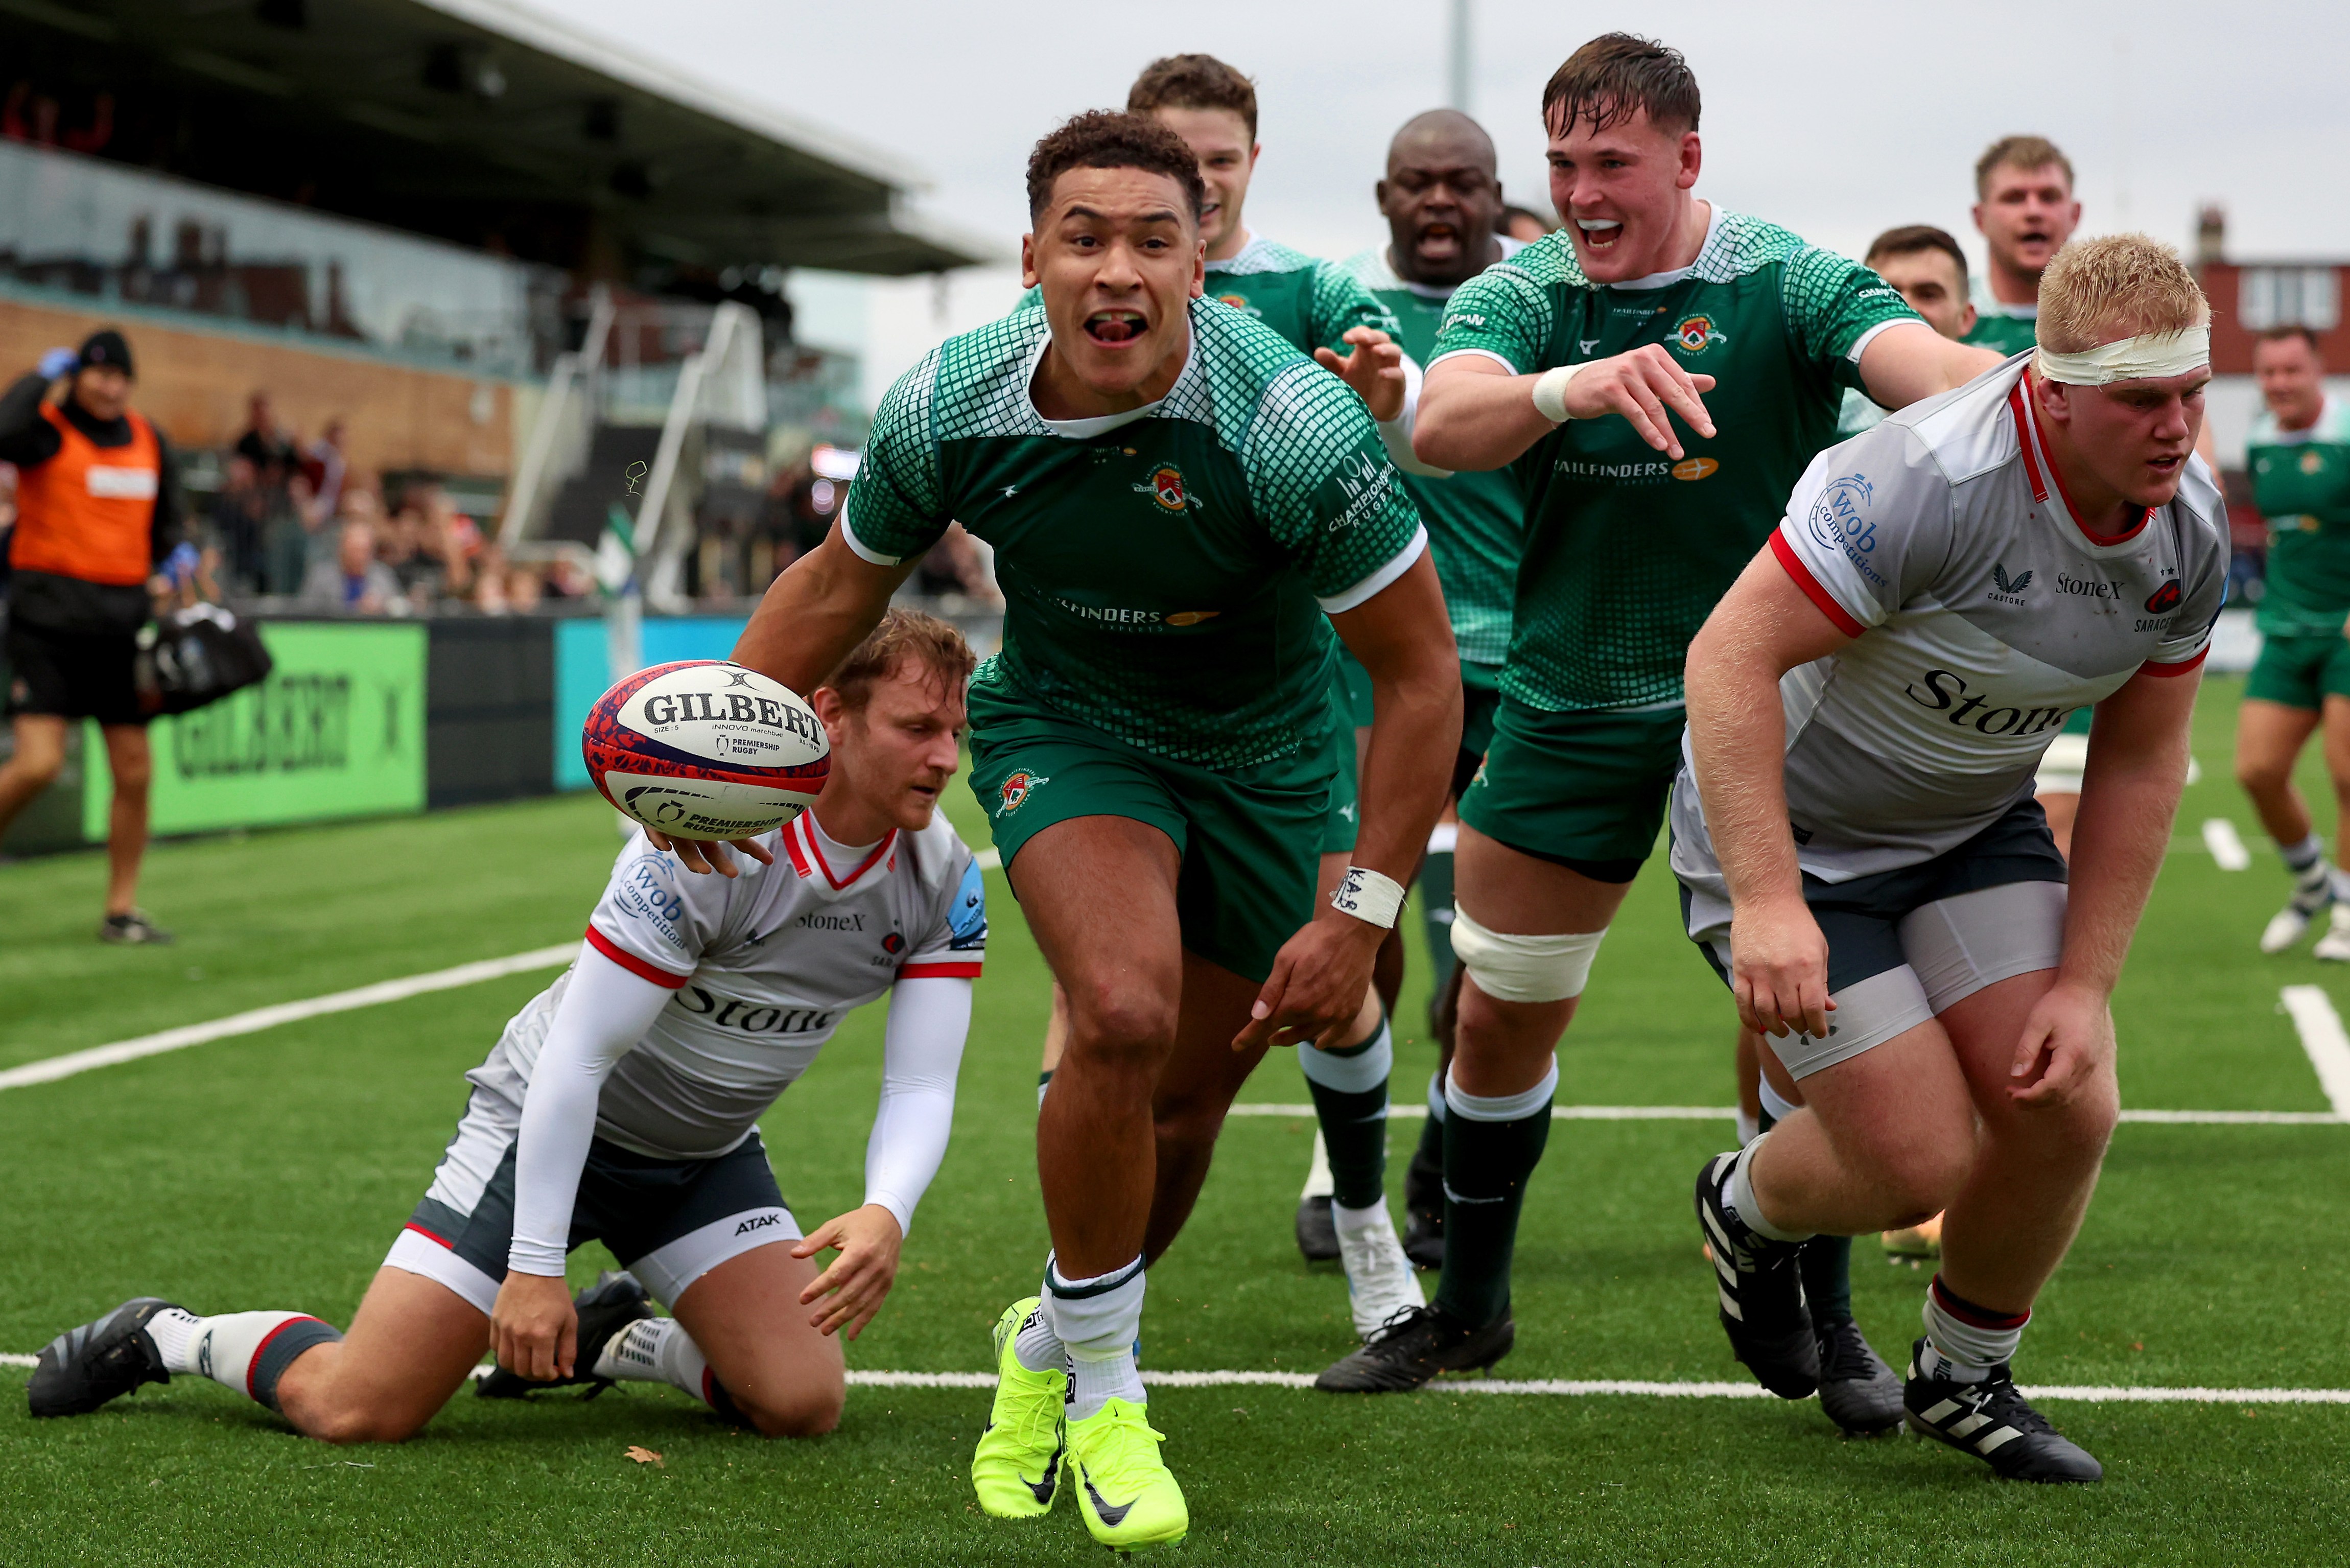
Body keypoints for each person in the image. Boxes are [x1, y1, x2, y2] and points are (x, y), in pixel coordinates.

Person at [669, 113, 1456, 1550]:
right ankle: (1107, 1390)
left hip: (1272, 762)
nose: (1118, 268)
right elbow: (836, 587)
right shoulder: (950, 403)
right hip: (1069, 728)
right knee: (1119, 1010)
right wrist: (714, 749)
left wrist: (1362, 914)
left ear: (1201, 264)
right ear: (1032, 257)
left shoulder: (1291, 424)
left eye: (1155, 240)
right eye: (1084, 237)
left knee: (1185, 1111)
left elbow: (1419, 677)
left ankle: (1047, 1336)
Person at [1313, 35, 1999, 1415]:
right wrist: (1573, 384)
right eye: (1562, 163)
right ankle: (1470, 1308)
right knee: (1497, 1021)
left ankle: (1833, 1320)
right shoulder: (1527, 291)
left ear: (1687, 158)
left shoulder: (1785, 277)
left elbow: (1930, 367)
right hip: (1568, 706)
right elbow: (1444, 422)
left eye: (1611, 163)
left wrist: (2013, 400)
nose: (1580, 193)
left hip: (1769, 715)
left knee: (1807, 1019)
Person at [30, 610, 988, 1443]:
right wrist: (533, 1266)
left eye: (956, 729)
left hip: (702, 1157)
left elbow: (920, 1082)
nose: (947, 758)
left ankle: (617, 1339)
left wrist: (887, 1208)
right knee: (359, 1408)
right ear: (830, 716)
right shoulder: (708, 847)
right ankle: (168, 1334)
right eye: (916, 728)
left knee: (802, 1401)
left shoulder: (944, 876)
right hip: (548, 1127)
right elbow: (578, 1056)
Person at [1673, 233, 2225, 1482]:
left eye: (2191, 390)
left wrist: (2084, 985)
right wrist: (1766, 899)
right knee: (1911, 1159)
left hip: (1972, 825)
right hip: (1801, 839)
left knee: (2064, 1096)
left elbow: (2140, 760)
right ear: (2053, 392)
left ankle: (1963, 1374)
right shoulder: (1924, 475)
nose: (2176, 426)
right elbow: (1727, 658)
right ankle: (1741, 1204)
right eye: (2142, 397)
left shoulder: (2186, 525)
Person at [1019, 55, 1439, 1315]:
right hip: (1103, 707)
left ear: (1247, 169)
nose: (1199, 181)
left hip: (1290, 693)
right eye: (1178, 159)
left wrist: (1388, 399)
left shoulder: (1307, 291)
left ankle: (1360, 1217)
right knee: (1107, 1000)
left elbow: (1401, 403)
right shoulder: (1066, 309)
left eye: (1216, 164)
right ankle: (1084, 1288)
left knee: (1334, 980)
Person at [1336, 107, 1529, 1275]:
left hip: (1521, 666)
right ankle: (1341, 1162)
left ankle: (1437, 1166)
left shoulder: (1536, 307)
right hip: (1377, 664)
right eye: (1420, 182)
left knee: (1496, 958)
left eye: (1464, 182)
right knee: (1355, 915)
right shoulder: (1340, 307)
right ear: (1386, 196)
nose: (1442, 200)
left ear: (1496, 193)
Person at [0, 329, 183, 944]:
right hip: (47, 624)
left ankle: (121, 909)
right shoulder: (45, 430)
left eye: (120, 377)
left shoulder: (150, 439)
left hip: (119, 630)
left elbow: (167, 523)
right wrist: (40, 377)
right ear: (77, 377)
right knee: (38, 764)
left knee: (134, 771)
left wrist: (174, 562)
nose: (110, 388)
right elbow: (3, 431)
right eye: (99, 374)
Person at [2234, 325, 2350, 957]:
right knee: (2257, 771)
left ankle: (2348, 913)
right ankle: (2312, 885)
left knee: (2347, 774)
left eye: (2291, 371)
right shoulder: (2259, 439)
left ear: (2318, 370)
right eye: (2268, 372)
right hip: (2283, 628)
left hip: (2344, 631)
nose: (2279, 383)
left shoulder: (2346, 433)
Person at [1965, 136, 2079, 357]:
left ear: (2075, 215)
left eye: (2049, 198)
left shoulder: (2118, 318)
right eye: (2014, 198)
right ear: (1980, 218)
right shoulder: (1946, 315)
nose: (2033, 212)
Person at [298, 514, 405, 615]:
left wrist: (382, 607)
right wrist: (354, 608)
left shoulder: (383, 576)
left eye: (364, 551)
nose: (359, 557)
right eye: (355, 550)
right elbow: (305, 611)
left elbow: (400, 608)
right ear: (342, 550)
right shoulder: (321, 576)